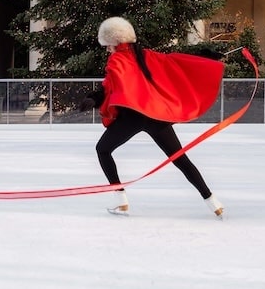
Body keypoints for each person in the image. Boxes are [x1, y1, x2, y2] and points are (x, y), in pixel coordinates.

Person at [79, 16, 226, 219]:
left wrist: (93, 99)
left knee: (102, 150)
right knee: (180, 159)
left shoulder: (117, 59)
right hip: (157, 116)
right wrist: (205, 58)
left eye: (108, 46)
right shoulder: (147, 55)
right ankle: (212, 201)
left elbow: (109, 86)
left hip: (133, 117)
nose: (107, 50)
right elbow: (175, 63)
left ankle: (120, 200)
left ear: (115, 42)